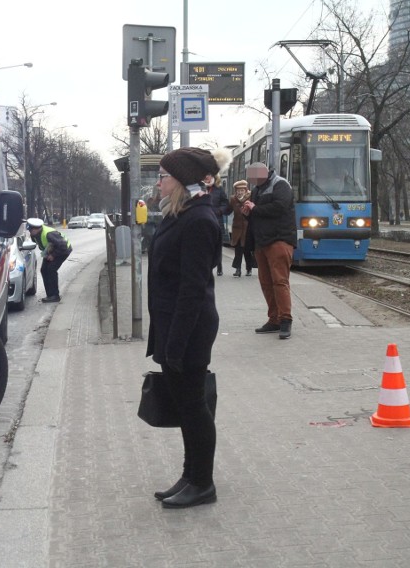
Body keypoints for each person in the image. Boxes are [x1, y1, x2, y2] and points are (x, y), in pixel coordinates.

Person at [146, 146, 231, 509]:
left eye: (164, 176)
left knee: (194, 408)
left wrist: (176, 344)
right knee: (185, 406)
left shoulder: (199, 219)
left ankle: (203, 483)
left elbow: (193, 289)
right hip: (174, 324)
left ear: (181, 181)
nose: (159, 182)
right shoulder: (181, 213)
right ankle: (189, 474)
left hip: (188, 328)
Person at [241, 162, 297, 339]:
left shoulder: (280, 185)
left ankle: (285, 320)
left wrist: (255, 208)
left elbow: (280, 207)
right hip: (262, 242)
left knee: (280, 281)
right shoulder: (258, 189)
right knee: (266, 282)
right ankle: (274, 319)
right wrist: (247, 212)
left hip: (279, 240)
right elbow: (257, 213)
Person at [26, 218, 72, 303]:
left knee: (51, 270)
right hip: (51, 249)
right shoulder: (34, 234)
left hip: (63, 251)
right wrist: (47, 254)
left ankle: (55, 295)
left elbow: (63, 246)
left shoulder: (49, 234)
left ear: (37, 228)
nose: (29, 231)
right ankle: (50, 295)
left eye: (31, 229)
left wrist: (53, 255)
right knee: (44, 270)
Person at [228, 180, 254, 277]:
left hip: (248, 229)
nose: (239, 192)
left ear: (245, 190)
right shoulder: (233, 200)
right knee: (238, 250)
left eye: (242, 190)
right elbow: (228, 210)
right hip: (237, 229)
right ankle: (238, 270)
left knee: (247, 250)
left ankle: (249, 268)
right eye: (238, 191)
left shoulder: (250, 198)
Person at [207, 175, 230, 275]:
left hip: (217, 220)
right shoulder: (200, 188)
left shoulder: (219, 189)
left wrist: (220, 211)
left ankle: (219, 267)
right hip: (203, 220)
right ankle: (207, 267)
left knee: (217, 245)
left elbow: (225, 203)